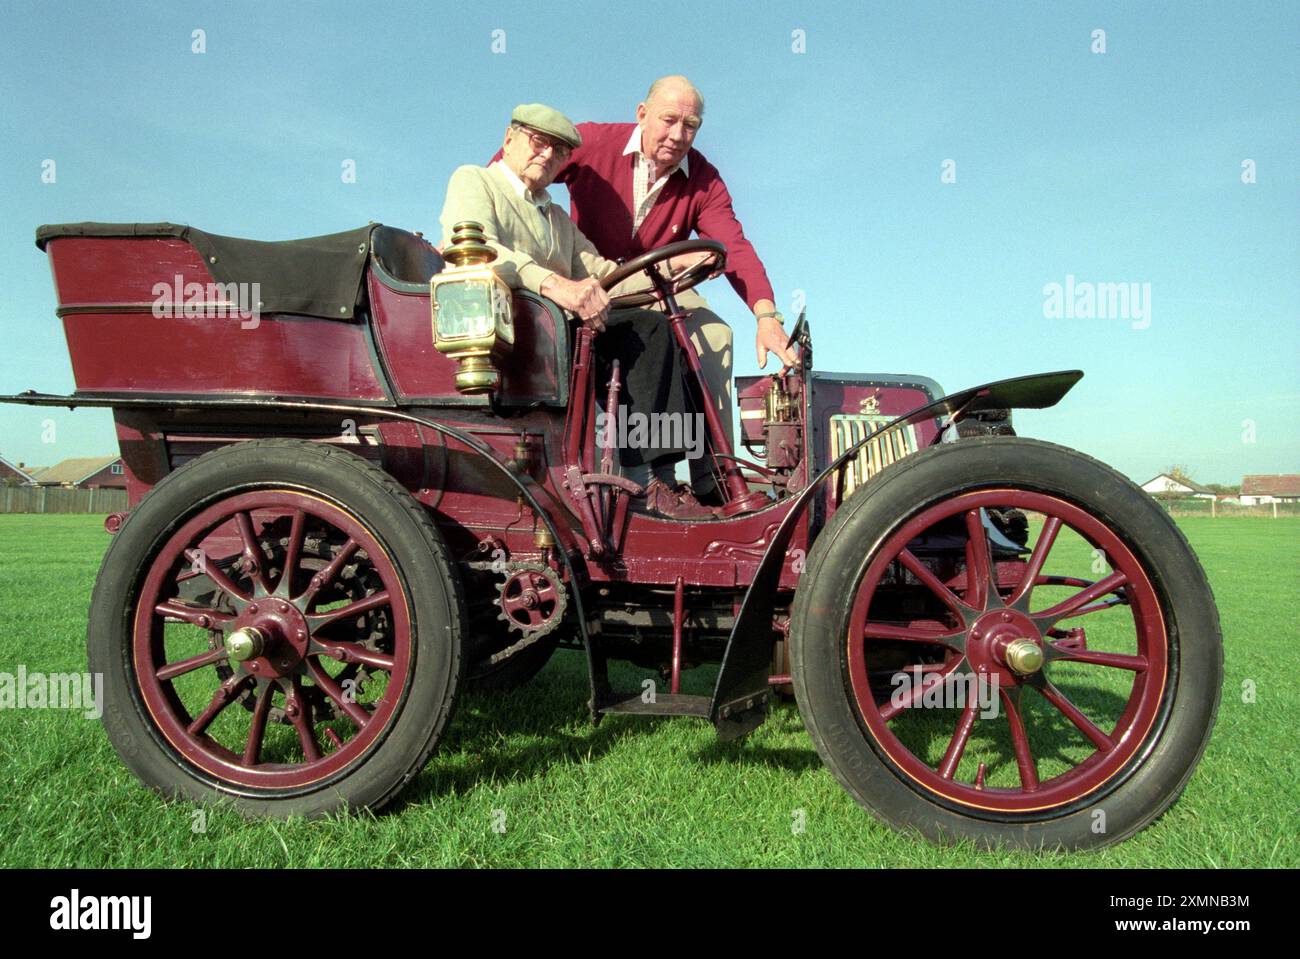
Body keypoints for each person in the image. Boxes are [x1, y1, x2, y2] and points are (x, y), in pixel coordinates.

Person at [439, 103, 715, 519]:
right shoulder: (475, 181)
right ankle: (643, 484)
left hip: (554, 336)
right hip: (508, 338)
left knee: (655, 330)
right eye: (538, 142)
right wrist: (555, 285)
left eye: (559, 151)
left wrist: (666, 272)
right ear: (509, 140)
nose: (547, 155)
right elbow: (478, 252)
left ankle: (667, 477)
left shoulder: (555, 217)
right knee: (646, 332)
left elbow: (603, 273)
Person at [549, 76, 798, 502]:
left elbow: (734, 245)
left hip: (659, 279)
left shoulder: (702, 178)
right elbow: (519, 166)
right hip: (591, 274)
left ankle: (714, 478)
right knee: (648, 329)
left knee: (715, 336)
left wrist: (766, 315)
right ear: (641, 114)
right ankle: (635, 468)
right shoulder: (591, 143)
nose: (678, 135)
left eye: (691, 125)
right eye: (669, 120)